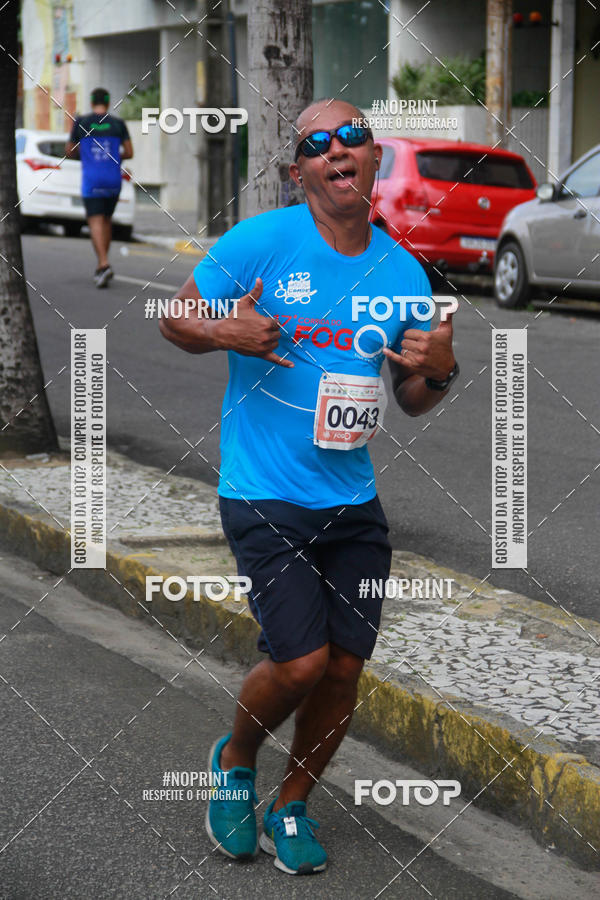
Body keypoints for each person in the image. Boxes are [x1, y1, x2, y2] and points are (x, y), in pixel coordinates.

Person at [159, 98, 458, 876]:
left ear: (371, 157)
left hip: (353, 502)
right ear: (300, 171)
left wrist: (439, 367)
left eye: (352, 136)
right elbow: (175, 319)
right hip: (265, 491)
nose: (338, 149)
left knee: (346, 669)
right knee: (300, 662)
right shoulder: (263, 241)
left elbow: (414, 400)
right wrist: (226, 331)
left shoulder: (401, 268)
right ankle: (235, 758)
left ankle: (292, 804)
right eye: (318, 142)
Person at [66, 87, 133, 288]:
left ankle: (103, 263)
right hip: (113, 180)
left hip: (92, 180)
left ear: (91, 102)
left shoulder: (82, 122)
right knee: (106, 220)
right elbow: (129, 152)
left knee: (95, 221)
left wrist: (86, 154)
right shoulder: (118, 124)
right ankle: (101, 266)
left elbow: (69, 151)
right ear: (108, 101)